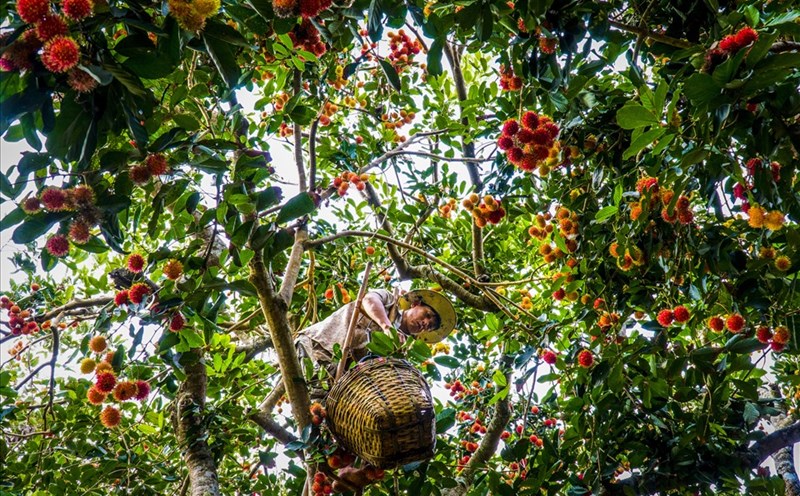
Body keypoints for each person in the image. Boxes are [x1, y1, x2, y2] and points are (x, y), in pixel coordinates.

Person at [295, 288, 456, 399]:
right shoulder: (390, 301)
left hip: (335, 376)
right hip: (319, 345)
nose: (426, 322)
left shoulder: (400, 351)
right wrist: (386, 326)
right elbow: (369, 300)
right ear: (415, 304)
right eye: (427, 314)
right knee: (313, 391)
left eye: (431, 325)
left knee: (320, 416)